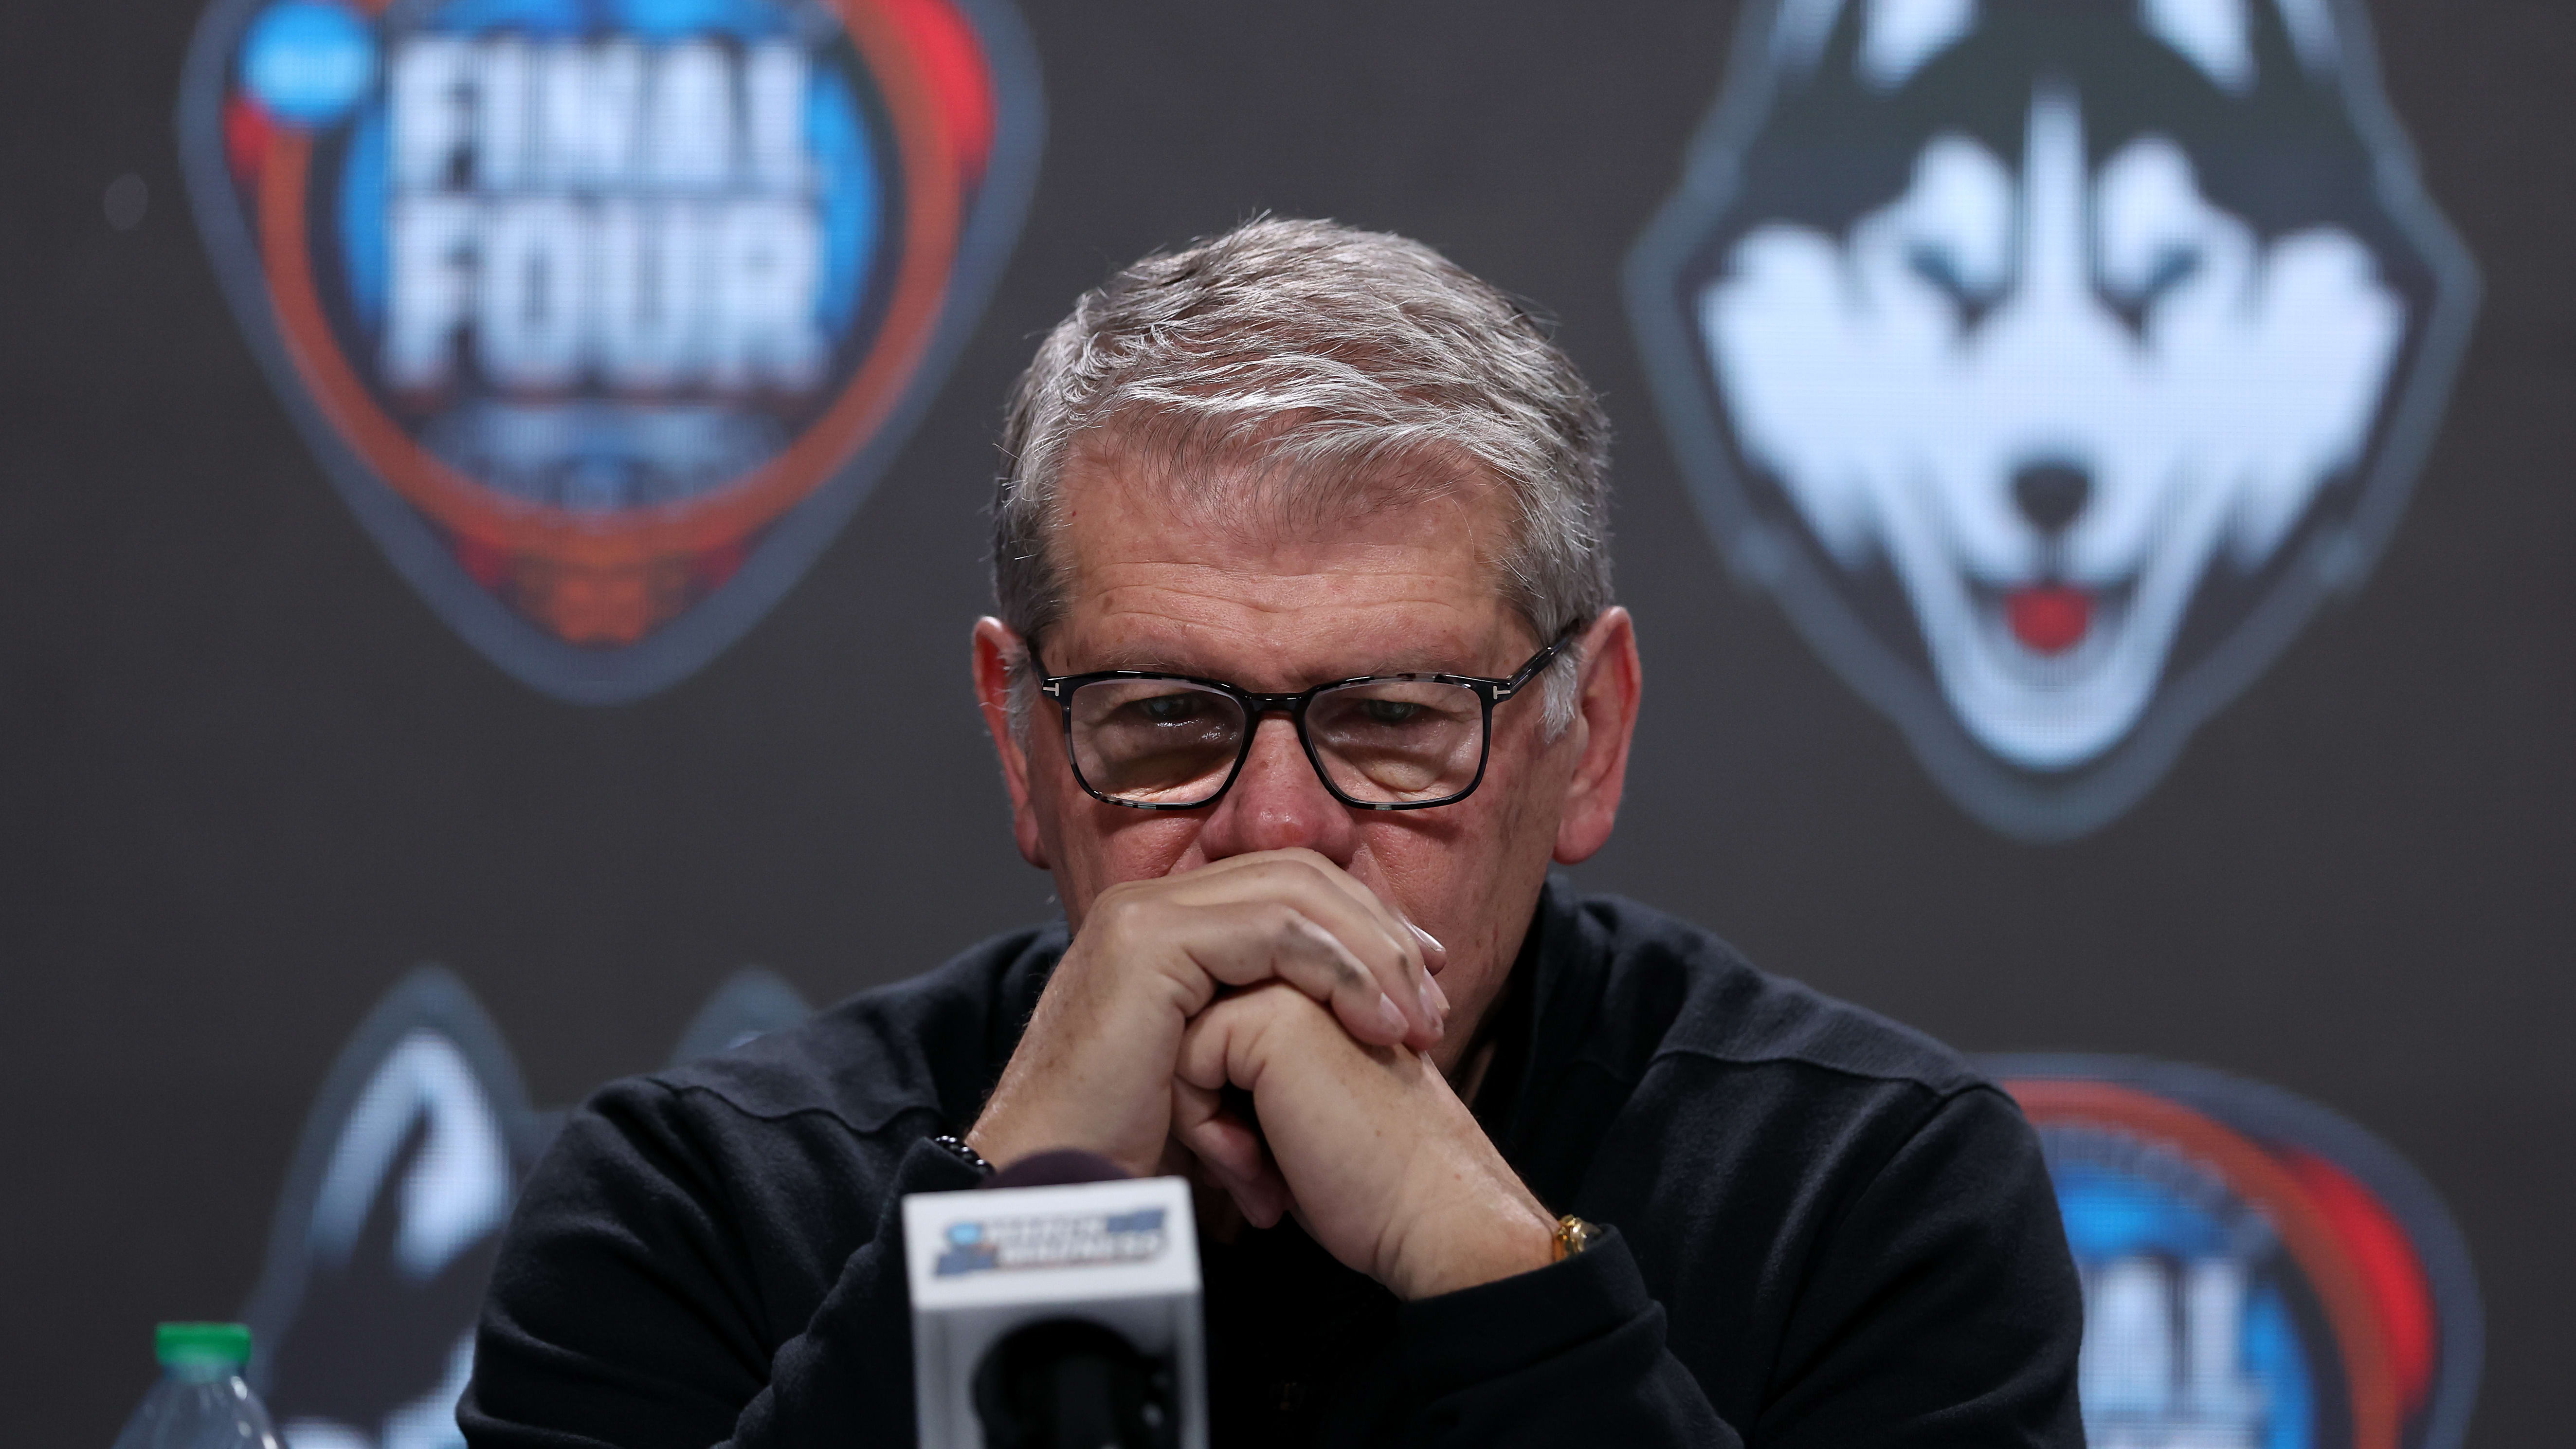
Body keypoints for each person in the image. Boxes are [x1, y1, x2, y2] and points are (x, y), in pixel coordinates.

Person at [459, 218, 2084, 1448]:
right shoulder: (701, 1208)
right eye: (1166, 718)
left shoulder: (1867, 1193)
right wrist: (1028, 1218)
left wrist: (1490, 1265)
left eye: (1393, 717)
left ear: (1589, 737)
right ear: (1021, 744)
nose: (1280, 836)